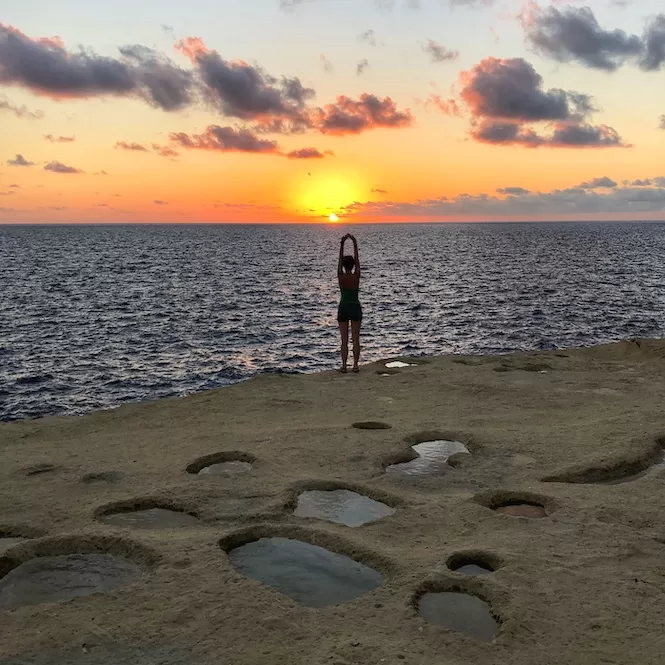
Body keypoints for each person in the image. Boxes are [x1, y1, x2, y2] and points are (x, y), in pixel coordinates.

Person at [337, 233, 362, 373]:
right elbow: (357, 261)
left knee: (344, 340)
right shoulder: (356, 276)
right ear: (352, 265)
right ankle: (356, 365)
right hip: (355, 306)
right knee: (356, 339)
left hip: (344, 306)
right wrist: (354, 243)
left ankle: (344, 366)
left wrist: (342, 245)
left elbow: (339, 262)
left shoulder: (341, 276)